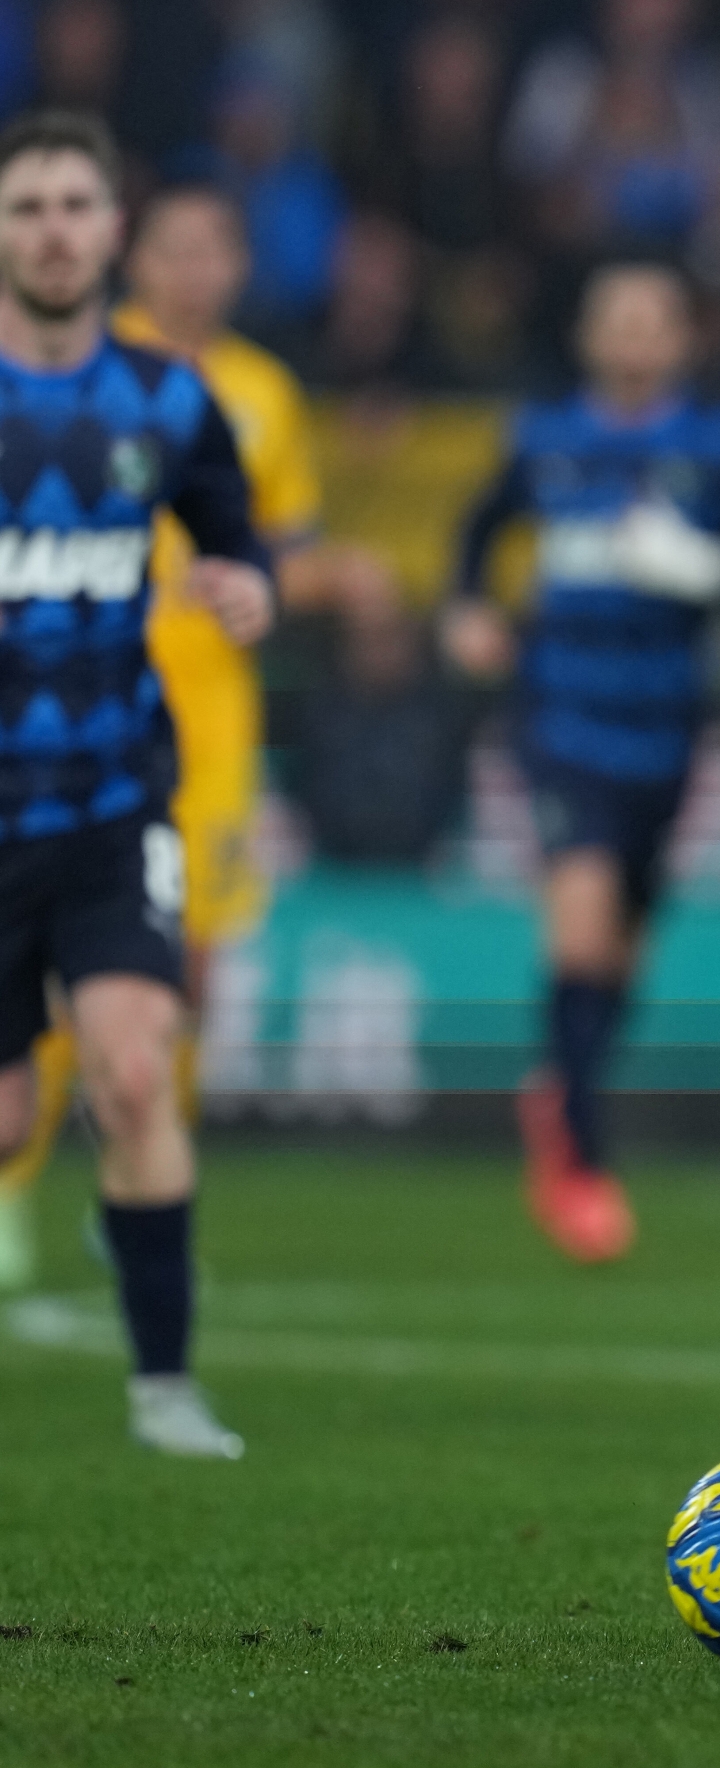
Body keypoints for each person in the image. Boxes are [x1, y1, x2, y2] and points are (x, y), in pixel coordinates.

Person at [0, 182, 385, 1291]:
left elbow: (274, 549)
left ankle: (132, 1181)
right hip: (75, 715)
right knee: (60, 973)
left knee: (188, 978)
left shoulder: (260, 391)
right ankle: (17, 1183)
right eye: (174, 247)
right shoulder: (80, 368)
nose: (194, 269)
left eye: (215, 249)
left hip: (214, 727)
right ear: (135, 256)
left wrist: (314, 577)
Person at [441, 262, 720, 1263]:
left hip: (670, 724)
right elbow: (478, 532)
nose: (636, 337)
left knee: (621, 956)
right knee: (581, 920)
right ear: (589, 336)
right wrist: (469, 608)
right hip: (561, 718)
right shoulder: (545, 437)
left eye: (655, 321)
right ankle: (583, 1164)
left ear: (685, 338)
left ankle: (559, 1093)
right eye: (619, 320)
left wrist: (701, 565)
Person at [0, 110, 275, 1456]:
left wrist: (244, 585)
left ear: (114, 232)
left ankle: (165, 1388)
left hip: (114, 805)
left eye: (72, 205)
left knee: (132, 1072)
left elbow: (237, 537)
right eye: (27, 206)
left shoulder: (168, 401)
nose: (52, 229)